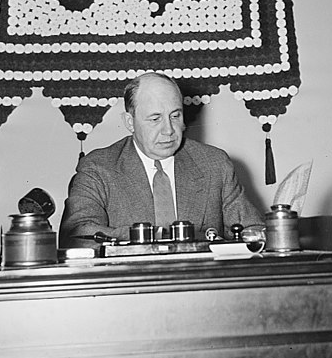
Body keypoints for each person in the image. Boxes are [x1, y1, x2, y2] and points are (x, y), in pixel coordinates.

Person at [58, 71, 265, 248]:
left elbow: (255, 231)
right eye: (155, 119)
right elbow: (77, 235)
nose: (169, 130)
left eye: (175, 116)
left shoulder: (214, 164)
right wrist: (155, 237)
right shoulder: (97, 169)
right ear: (130, 122)